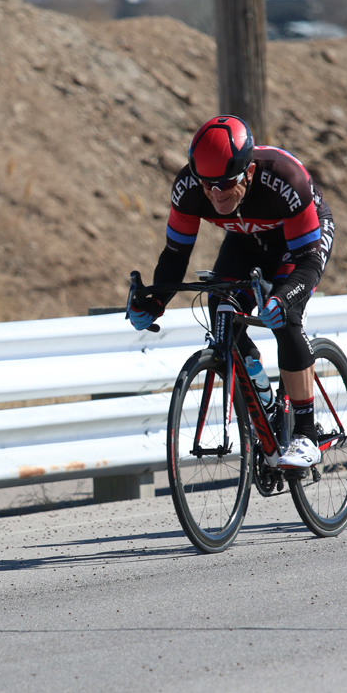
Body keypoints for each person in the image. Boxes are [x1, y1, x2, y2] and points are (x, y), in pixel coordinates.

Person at [129, 115, 335, 469]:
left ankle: (305, 434)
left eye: (225, 184)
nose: (215, 194)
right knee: (220, 305)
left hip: (297, 246)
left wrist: (282, 298)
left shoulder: (286, 180)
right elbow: (176, 253)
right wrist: (155, 300)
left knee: (285, 318)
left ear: (250, 173)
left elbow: (307, 261)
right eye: (207, 185)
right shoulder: (189, 189)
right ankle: (262, 392)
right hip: (245, 241)